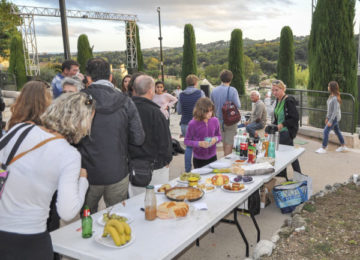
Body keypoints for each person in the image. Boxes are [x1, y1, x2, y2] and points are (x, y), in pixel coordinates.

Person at [0, 92, 94, 259]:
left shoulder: (20, 128)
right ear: (80, 121)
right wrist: (83, 180)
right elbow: (67, 211)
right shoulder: (68, 154)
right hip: (30, 238)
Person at [77, 58, 144, 213]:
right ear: (111, 77)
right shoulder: (125, 101)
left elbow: (69, 138)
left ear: (88, 78)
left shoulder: (78, 100)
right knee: (118, 218)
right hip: (117, 170)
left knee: (88, 220)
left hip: (86, 174)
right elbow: (138, 138)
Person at [128, 75, 173, 196]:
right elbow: (165, 140)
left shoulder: (125, 109)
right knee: (156, 203)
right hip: (155, 167)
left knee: (135, 204)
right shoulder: (156, 112)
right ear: (150, 90)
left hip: (132, 167)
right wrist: (166, 159)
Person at [272, 79, 301, 179]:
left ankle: (288, 175)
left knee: (285, 155)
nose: (274, 93)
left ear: (282, 89)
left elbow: (295, 117)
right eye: (273, 90)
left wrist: (282, 124)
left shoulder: (288, 101)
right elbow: (277, 117)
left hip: (286, 132)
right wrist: (273, 125)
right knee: (290, 154)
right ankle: (296, 175)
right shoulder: (278, 100)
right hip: (280, 132)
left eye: (276, 90)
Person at [177, 74, 205, 172]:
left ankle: (188, 170)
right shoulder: (200, 93)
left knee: (189, 147)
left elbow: (179, 111)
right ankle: (200, 169)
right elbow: (205, 109)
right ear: (196, 83)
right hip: (197, 123)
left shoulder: (181, 94)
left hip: (184, 124)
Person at [184, 98, 222, 168]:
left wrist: (215, 139)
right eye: (207, 111)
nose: (210, 113)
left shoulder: (215, 120)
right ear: (200, 111)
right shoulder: (192, 123)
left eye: (211, 110)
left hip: (213, 157)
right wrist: (199, 143)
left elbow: (219, 136)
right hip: (198, 159)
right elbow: (186, 141)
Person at [211, 69, 241, 156]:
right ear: (231, 79)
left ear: (221, 78)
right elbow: (238, 105)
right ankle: (227, 161)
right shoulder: (233, 90)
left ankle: (225, 158)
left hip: (218, 120)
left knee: (224, 141)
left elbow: (211, 105)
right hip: (230, 120)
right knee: (229, 142)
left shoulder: (214, 90)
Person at [316, 81, 348, 154]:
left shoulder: (335, 98)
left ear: (331, 88)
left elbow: (335, 111)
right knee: (337, 131)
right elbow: (329, 110)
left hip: (334, 118)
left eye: (328, 86)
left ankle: (324, 147)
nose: (327, 87)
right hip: (332, 118)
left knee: (325, 131)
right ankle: (343, 146)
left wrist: (330, 121)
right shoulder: (331, 96)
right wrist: (327, 117)